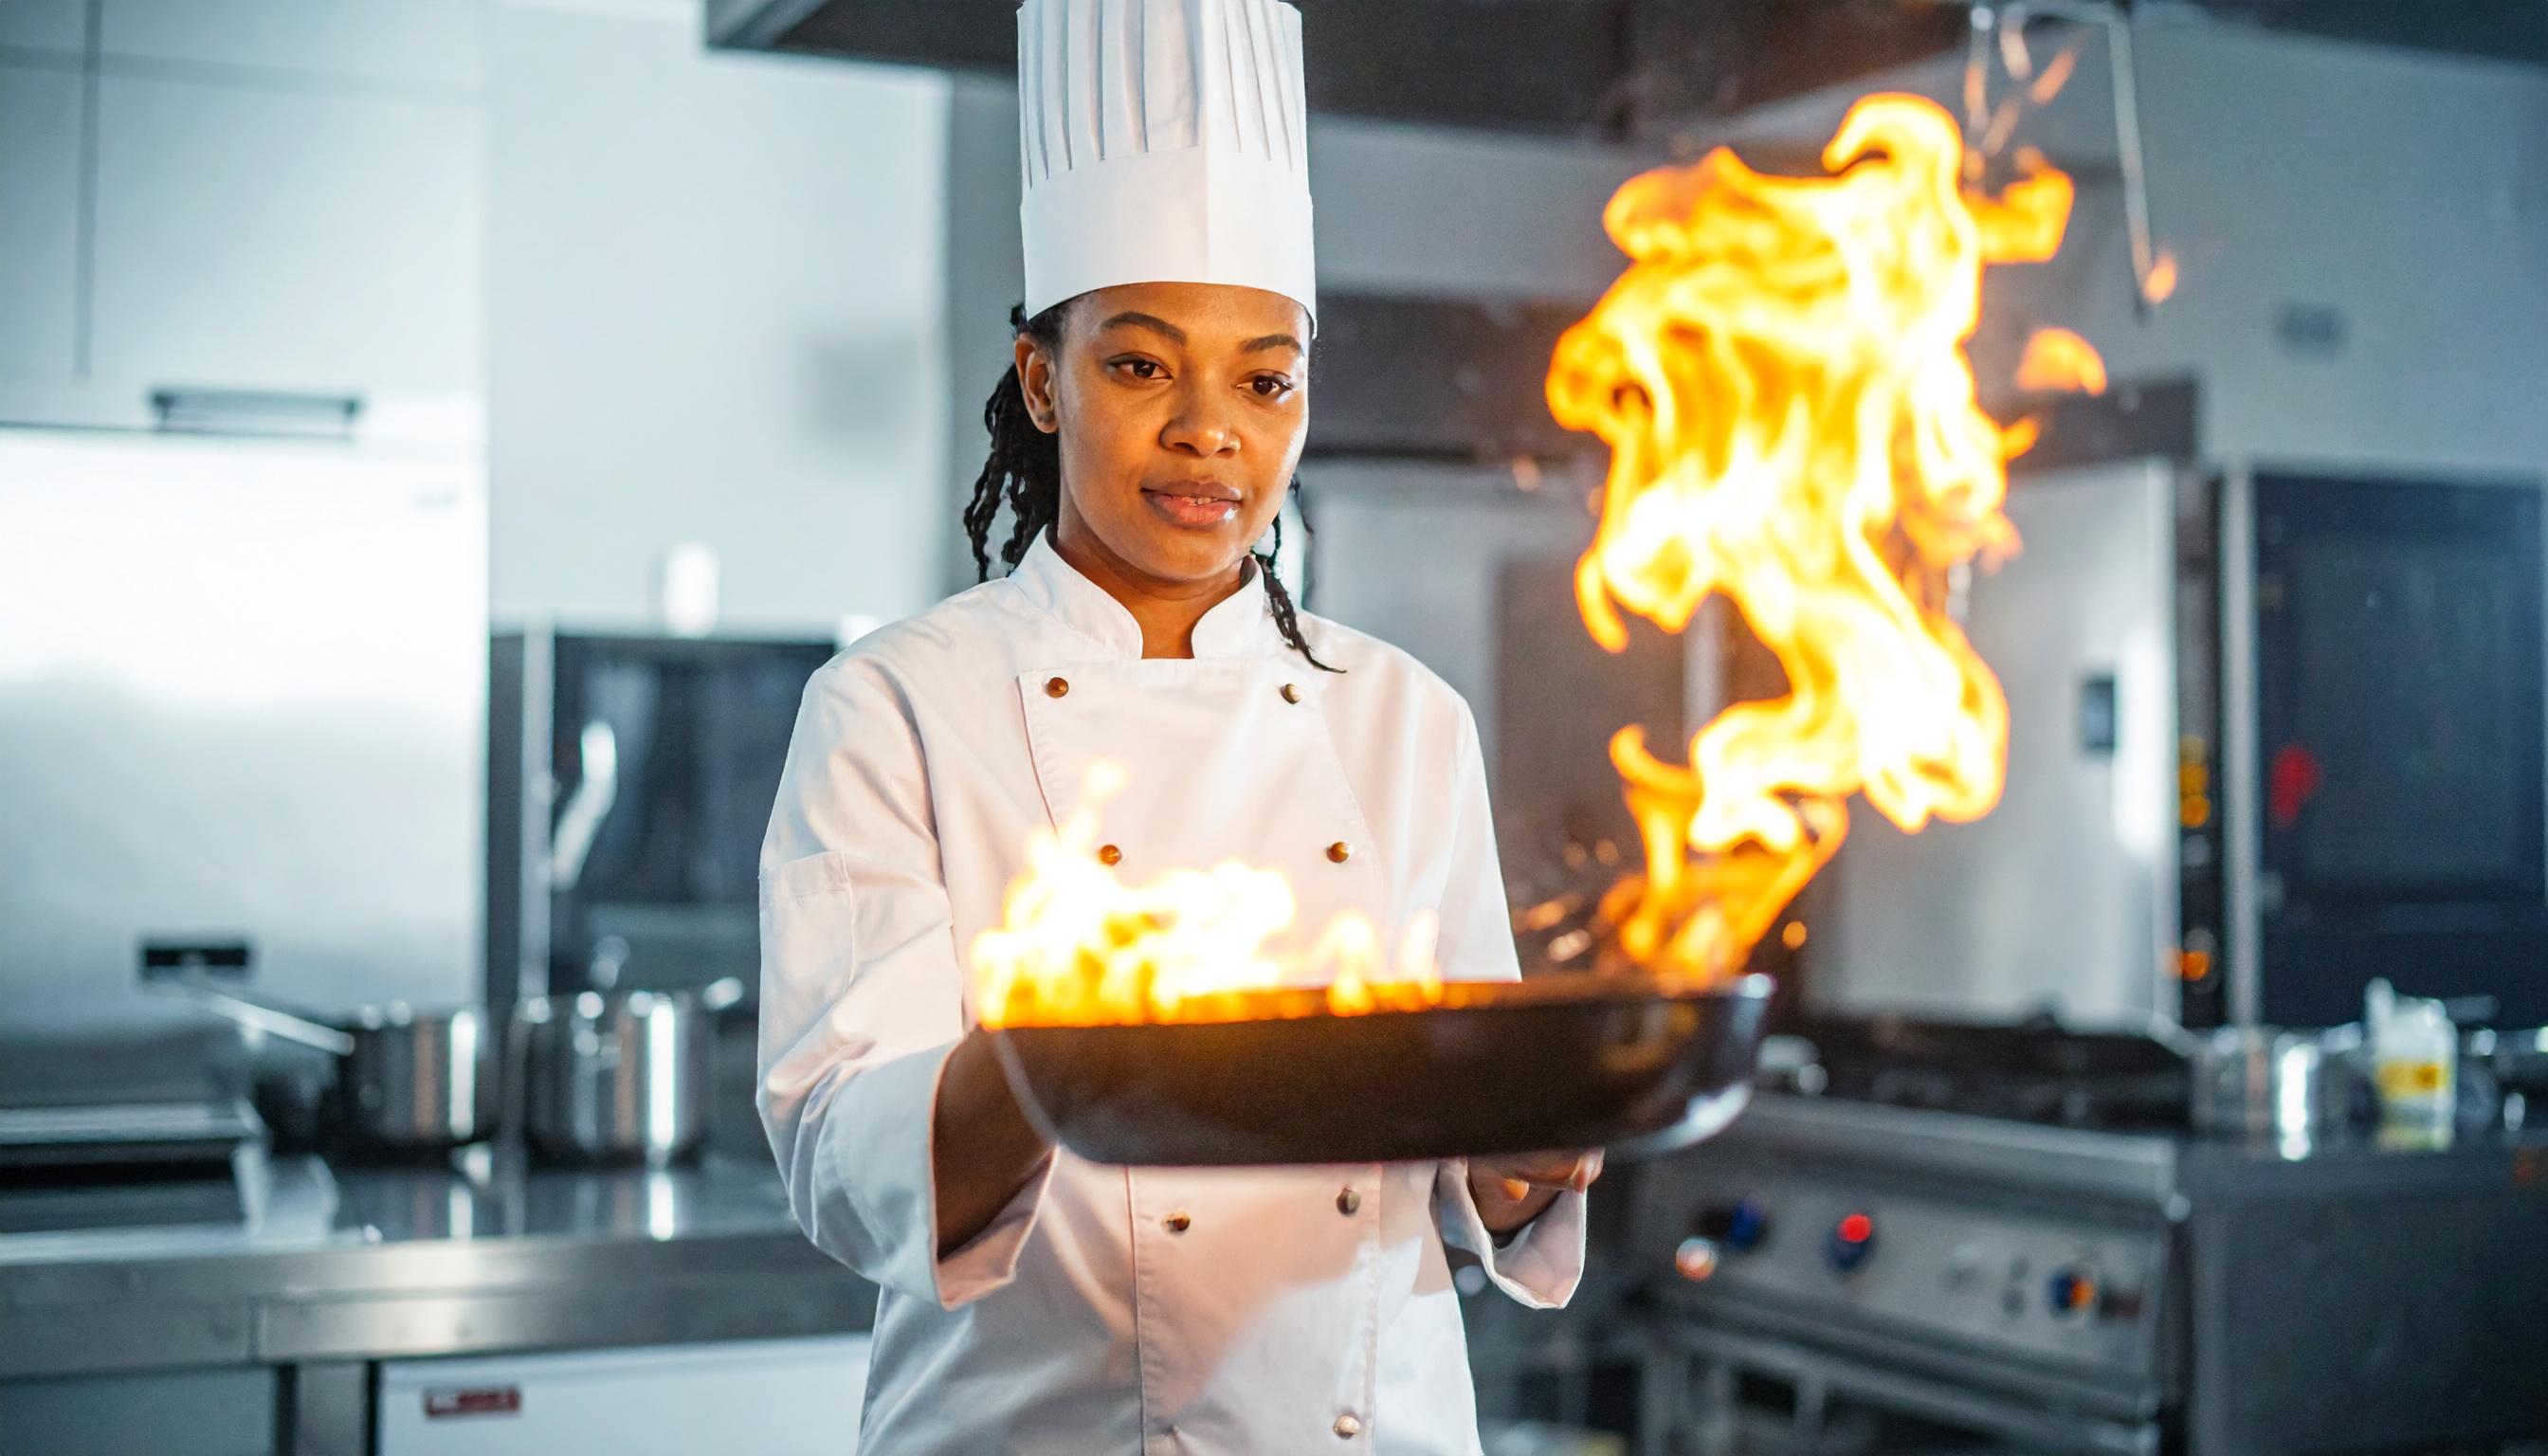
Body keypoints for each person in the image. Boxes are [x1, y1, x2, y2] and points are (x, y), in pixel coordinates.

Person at [758, 2, 1599, 1449]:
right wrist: (1067, 1067)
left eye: (1265, 379)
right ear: (1043, 378)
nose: (1211, 428)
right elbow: (846, 1158)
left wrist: (1533, 1154)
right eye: (1142, 364)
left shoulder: (1402, 717)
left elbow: (1471, 1172)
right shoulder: (896, 704)